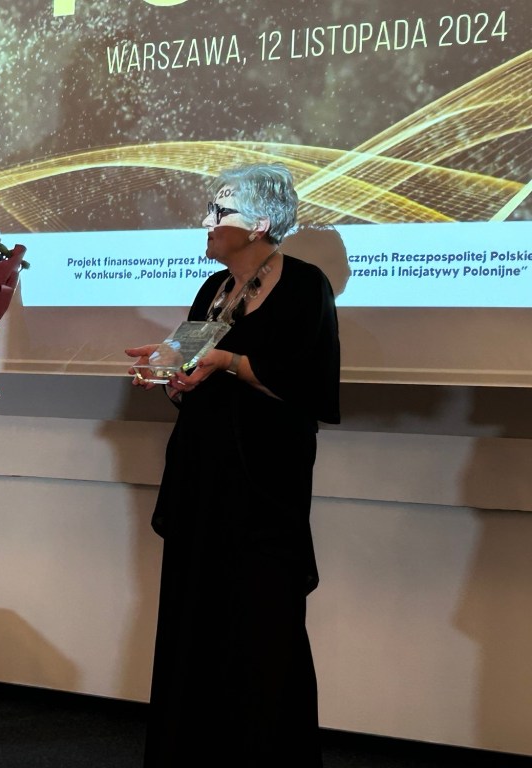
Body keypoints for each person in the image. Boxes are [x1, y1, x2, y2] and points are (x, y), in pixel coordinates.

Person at [126, 163, 340, 767]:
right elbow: (189, 365)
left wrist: (228, 362)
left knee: (265, 624)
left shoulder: (305, 286)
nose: (207, 222)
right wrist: (167, 372)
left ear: (261, 222)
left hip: (265, 485)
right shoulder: (212, 288)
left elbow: (309, 385)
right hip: (202, 478)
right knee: (197, 617)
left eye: (220, 212)